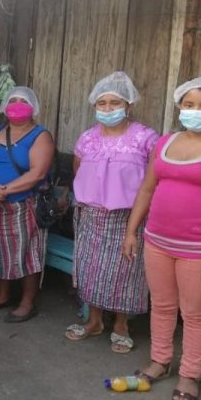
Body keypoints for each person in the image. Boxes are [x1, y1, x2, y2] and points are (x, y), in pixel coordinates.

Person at [123, 77, 201, 400]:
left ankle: (189, 375)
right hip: (157, 241)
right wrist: (132, 231)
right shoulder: (166, 142)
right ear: (180, 106)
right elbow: (147, 189)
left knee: (195, 313)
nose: (197, 111)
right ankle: (160, 361)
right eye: (190, 105)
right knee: (162, 306)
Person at [64, 72, 158, 353]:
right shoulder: (87, 138)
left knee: (125, 270)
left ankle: (121, 325)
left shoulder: (145, 138)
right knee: (91, 268)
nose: (107, 109)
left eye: (114, 103)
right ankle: (94, 321)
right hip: (91, 214)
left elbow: (153, 181)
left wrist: (133, 224)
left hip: (128, 216)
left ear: (129, 105)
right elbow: (78, 170)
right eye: (101, 103)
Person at [0, 86, 54, 323]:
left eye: (23, 101)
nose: (17, 105)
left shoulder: (40, 136)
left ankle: (27, 303)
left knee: (27, 253)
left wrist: (3, 190)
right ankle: (3, 295)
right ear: (4, 106)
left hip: (24, 204)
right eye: (12, 100)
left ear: (33, 108)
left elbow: (38, 173)